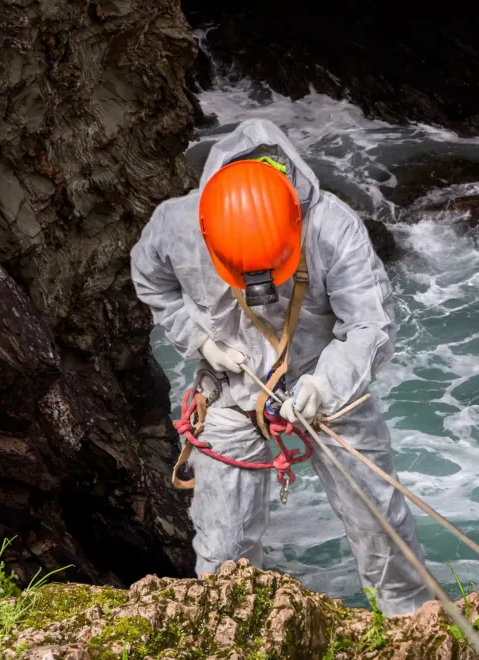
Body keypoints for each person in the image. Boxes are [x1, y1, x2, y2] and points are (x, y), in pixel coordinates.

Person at [130, 118, 430, 616]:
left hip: (324, 381)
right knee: (224, 544)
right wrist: (201, 341)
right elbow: (151, 279)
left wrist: (324, 386)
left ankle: (408, 619)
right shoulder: (176, 225)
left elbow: (369, 325)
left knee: (379, 518)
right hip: (230, 387)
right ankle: (228, 630)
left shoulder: (331, 226)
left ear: (294, 224)